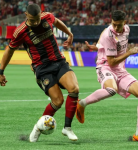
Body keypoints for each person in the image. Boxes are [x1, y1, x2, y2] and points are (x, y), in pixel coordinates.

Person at [0, 4, 79, 142]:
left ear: (40, 14)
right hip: (42, 68)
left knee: (74, 89)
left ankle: (67, 128)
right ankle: (37, 128)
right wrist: (1, 71)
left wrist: (69, 33)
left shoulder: (46, 17)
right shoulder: (21, 31)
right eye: (32, 20)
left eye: (37, 19)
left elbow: (56, 21)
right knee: (58, 101)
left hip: (59, 62)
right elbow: (10, 50)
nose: (36, 22)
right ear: (26, 16)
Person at [76, 10, 138, 142]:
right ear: (111, 22)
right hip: (105, 66)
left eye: (119, 25)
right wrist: (129, 53)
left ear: (124, 23)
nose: (116, 27)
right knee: (111, 90)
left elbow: (102, 39)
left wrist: (97, 46)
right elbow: (111, 62)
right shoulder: (108, 35)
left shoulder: (126, 29)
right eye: (114, 24)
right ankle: (81, 104)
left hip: (120, 69)